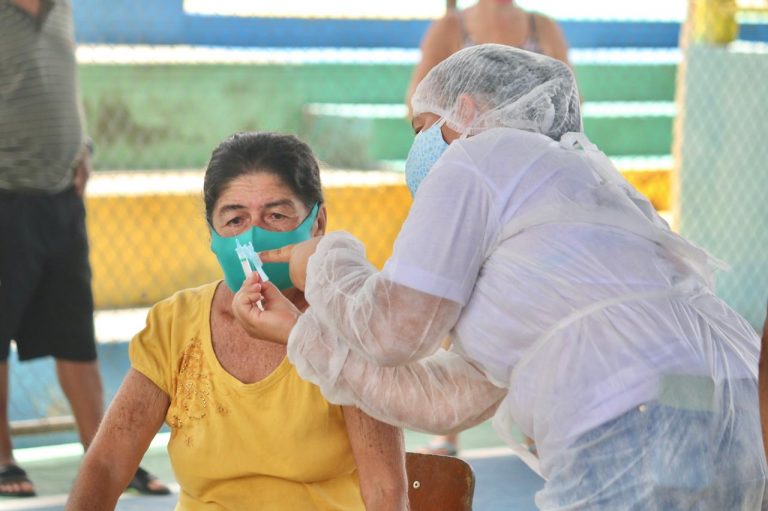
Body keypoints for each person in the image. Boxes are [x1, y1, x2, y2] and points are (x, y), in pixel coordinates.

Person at [233, 45, 768, 509]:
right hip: (735, 413)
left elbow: (393, 330)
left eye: (422, 129)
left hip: (629, 417)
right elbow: (445, 398)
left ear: (466, 109)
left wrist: (323, 259)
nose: (417, 151)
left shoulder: (480, 154)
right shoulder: (571, 190)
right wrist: (299, 333)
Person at [66, 132, 408, 510]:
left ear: (318, 223)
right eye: (235, 219)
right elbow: (107, 464)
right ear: (212, 233)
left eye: (276, 216)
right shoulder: (176, 325)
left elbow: (385, 490)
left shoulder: (354, 326)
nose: (253, 237)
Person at [0, 0, 167, 497]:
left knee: (75, 336)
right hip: (5, 196)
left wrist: (83, 147)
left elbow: (61, 86)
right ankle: (3, 459)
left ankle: (106, 458)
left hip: (61, 199)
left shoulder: (61, 8)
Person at [406, 0, 570, 118]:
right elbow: (417, 103)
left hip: (533, 148)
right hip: (468, 149)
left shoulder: (544, 27)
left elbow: (570, 98)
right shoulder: (449, 27)